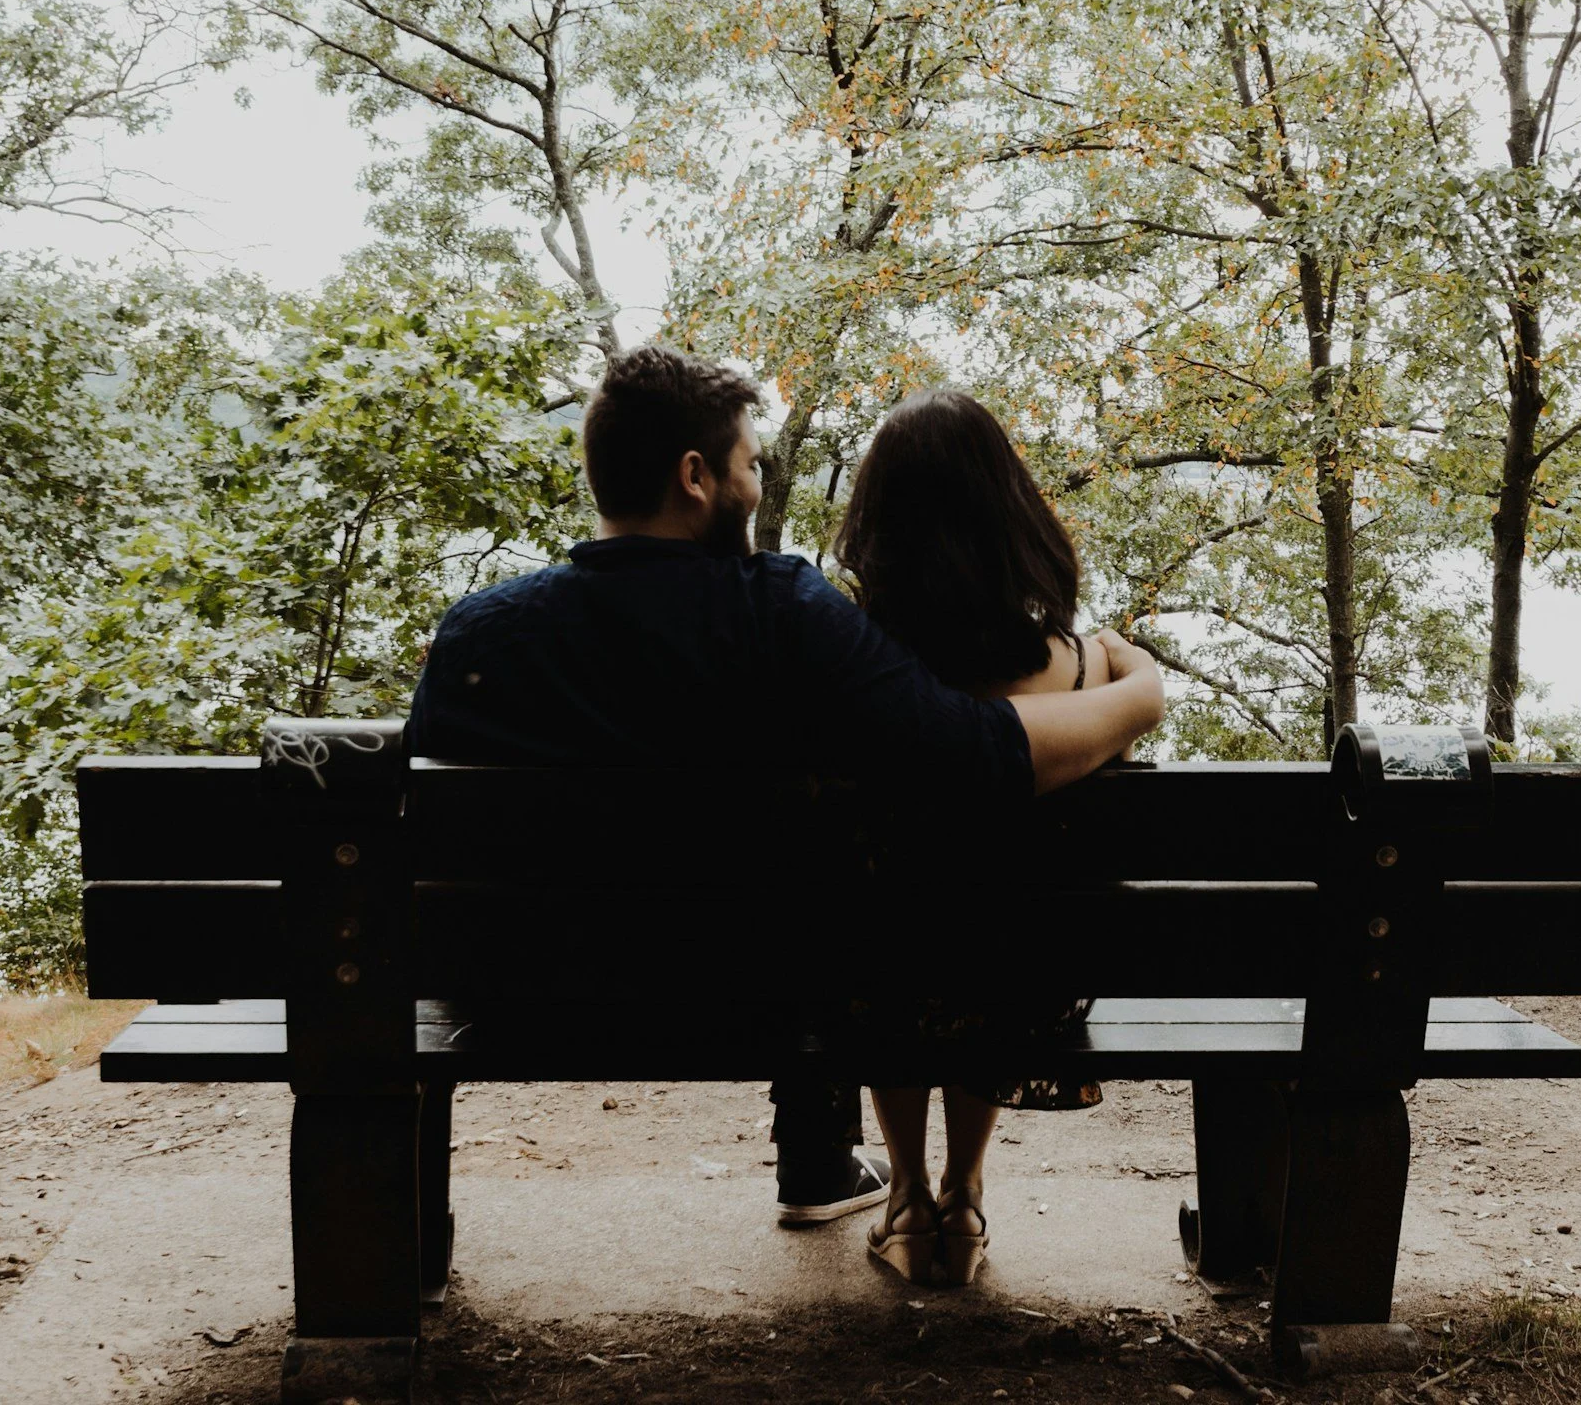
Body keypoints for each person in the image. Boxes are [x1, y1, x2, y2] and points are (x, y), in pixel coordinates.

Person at [405, 345, 1163, 1231]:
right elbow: (972, 754)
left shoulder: (478, 638)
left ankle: (404, 1245)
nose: (757, 483)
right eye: (750, 464)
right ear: (695, 478)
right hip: (741, 998)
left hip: (508, 996)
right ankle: (830, 1163)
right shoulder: (781, 615)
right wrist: (1137, 695)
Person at [829, 388, 1121, 1287]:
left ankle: (909, 1197)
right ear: (1011, 515)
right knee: (991, 934)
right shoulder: (1078, 667)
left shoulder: (852, 667)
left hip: (873, 982)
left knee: (887, 940)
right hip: (1024, 984)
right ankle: (964, 1193)